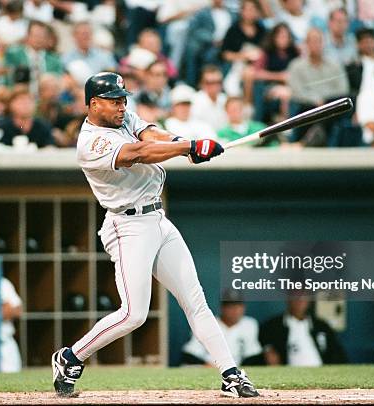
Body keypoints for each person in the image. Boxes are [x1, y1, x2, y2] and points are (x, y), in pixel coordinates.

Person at [51, 72, 259, 398]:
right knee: (134, 314)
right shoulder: (91, 141)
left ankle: (230, 374)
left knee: (196, 302)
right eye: (113, 101)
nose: (122, 106)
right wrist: (188, 147)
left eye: (123, 99)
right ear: (93, 104)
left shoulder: (122, 117)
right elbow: (139, 153)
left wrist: (180, 143)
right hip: (127, 226)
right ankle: (70, 357)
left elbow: (151, 132)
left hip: (158, 219)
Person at [259, 290, 347, 366]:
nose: (300, 301)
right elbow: (265, 350)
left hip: (321, 373)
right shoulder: (272, 325)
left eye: (304, 297)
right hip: (289, 375)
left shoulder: (321, 326)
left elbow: (336, 354)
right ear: (288, 299)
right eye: (296, 297)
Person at [181, 290, 263, 366]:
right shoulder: (207, 323)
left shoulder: (250, 324)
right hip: (209, 366)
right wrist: (208, 366)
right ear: (222, 308)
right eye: (231, 306)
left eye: (238, 306)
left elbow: (253, 355)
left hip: (237, 368)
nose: (235, 310)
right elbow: (189, 354)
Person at [190, 65, 228, 132]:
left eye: (218, 82)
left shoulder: (224, 99)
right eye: (210, 82)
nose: (215, 86)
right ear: (202, 84)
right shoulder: (194, 101)